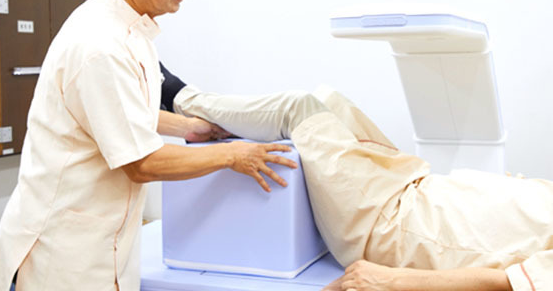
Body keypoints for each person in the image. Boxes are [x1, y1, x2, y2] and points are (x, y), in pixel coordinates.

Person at [0, 0, 297, 291]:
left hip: (100, 250)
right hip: (61, 263)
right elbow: (142, 162)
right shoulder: (100, 45)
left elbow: (123, 112)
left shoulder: (133, 31)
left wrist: (188, 127)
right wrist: (234, 154)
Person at [160, 81, 552, 290]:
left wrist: (390, 281)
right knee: (328, 99)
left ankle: (177, 97)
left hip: (389, 224)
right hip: (413, 183)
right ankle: (211, 123)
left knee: (299, 108)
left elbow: (506, 283)